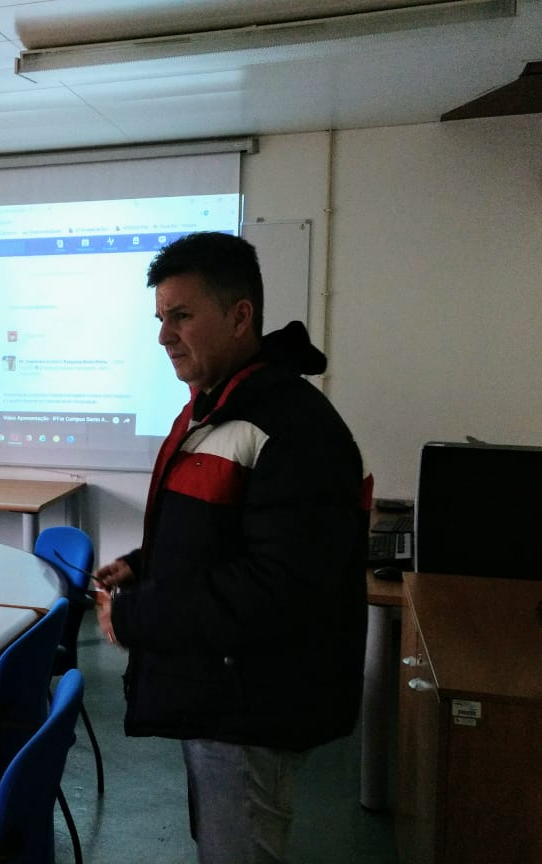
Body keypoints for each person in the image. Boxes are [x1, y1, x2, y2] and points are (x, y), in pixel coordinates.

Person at [94, 231, 368, 864]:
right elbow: (217, 539)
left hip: (251, 704)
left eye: (181, 316)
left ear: (240, 316)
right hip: (217, 690)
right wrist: (140, 567)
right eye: (161, 319)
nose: (165, 336)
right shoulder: (217, 406)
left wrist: (135, 616)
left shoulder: (292, 428)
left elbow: (279, 587)